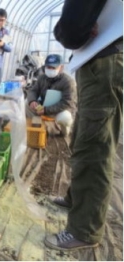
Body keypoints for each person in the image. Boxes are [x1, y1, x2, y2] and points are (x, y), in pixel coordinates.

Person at [44, 0, 123, 251]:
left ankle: (85, 230)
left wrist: (67, 32)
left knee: (94, 146)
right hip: (101, 58)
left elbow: (71, 30)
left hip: (106, 59)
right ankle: (77, 200)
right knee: (83, 136)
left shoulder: (64, 80)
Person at [26, 54, 76, 136]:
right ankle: (39, 126)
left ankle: (64, 132)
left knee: (65, 117)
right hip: (43, 107)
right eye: (48, 67)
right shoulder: (42, 78)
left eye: (53, 68)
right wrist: (33, 101)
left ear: (61, 68)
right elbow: (33, 91)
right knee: (26, 104)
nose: (50, 70)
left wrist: (46, 110)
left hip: (60, 110)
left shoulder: (68, 82)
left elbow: (67, 102)